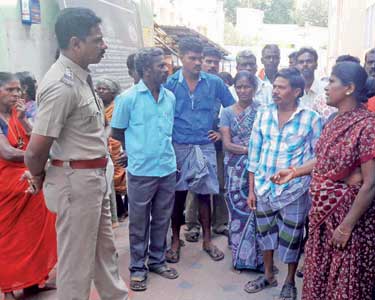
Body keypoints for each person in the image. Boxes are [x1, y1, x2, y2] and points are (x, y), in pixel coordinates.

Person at [24, 8, 128, 300]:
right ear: (75, 43)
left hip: (92, 179)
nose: (104, 45)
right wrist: (39, 175)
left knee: (104, 252)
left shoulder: (80, 77)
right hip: (76, 183)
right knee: (76, 264)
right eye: (98, 40)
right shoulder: (61, 85)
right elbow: (35, 151)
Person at [272, 62, 375, 300]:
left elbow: (370, 184)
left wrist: (346, 226)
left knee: (344, 279)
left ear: (349, 88)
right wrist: (294, 171)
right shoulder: (333, 120)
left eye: (331, 82)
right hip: (321, 217)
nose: (326, 87)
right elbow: (324, 160)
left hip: (347, 221)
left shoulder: (367, 126)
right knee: (321, 274)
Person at [244, 68, 322, 300]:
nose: (275, 91)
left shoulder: (311, 118)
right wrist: (251, 189)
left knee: (292, 237)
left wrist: (296, 174)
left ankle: (289, 282)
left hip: (294, 191)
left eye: (281, 87)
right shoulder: (263, 114)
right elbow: (253, 153)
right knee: (265, 233)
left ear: (297, 91)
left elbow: (318, 157)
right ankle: (268, 275)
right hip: (264, 188)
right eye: (274, 86)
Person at [111, 47, 179, 291]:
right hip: (141, 172)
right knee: (139, 222)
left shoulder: (169, 97)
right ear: (146, 70)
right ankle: (138, 268)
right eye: (161, 65)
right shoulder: (128, 99)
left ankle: (157, 260)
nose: (166, 69)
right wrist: (135, 150)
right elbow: (117, 131)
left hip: (167, 168)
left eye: (166, 64)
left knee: (162, 218)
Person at [164, 37, 235, 263]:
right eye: (192, 58)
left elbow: (231, 107)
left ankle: (207, 241)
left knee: (206, 194)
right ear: (181, 58)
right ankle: (175, 241)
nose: (197, 62)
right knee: (178, 195)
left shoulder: (214, 83)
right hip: (179, 145)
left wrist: (220, 132)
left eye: (200, 58)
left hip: (204, 145)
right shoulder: (170, 84)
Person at [0, 72, 57, 300]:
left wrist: (24, 119)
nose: (16, 94)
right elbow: (7, 152)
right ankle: (10, 287)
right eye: (10, 90)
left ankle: (34, 282)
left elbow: (37, 139)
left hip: (30, 182)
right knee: (10, 240)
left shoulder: (19, 113)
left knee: (34, 233)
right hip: (7, 188)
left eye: (18, 90)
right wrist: (39, 157)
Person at [184, 46, 229, 243]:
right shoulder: (191, 83)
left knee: (219, 184)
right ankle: (192, 225)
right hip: (195, 144)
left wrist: (221, 133)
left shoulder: (219, 85)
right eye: (207, 61)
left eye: (214, 62)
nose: (210, 65)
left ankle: (220, 224)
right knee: (195, 184)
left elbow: (233, 110)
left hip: (217, 145)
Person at [219, 70, 262, 270]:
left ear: (254, 88)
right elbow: (227, 144)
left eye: (247, 86)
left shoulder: (262, 110)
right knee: (237, 210)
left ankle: (258, 258)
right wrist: (250, 150)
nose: (243, 90)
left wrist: (254, 154)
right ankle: (240, 258)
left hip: (258, 169)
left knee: (257, 209)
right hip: (234, 170)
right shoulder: (227, 112)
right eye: (239, 87)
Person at [96, 78, 128, 225]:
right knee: (110, 179)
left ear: (113, 91)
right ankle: (119, 210)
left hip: (117, 145)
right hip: (105, 146)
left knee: (121, 176)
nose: (100, 91)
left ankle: (125, 208)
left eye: (104, 89)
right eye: (99, 89)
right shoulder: (98, 105)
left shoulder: (118, 106)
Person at [296, 47, 336, 121]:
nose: (305, 64)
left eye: (309, 61)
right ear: (297, 66)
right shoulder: (293, 90)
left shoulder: (327, 88)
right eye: (301, 62)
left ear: (316, 65)